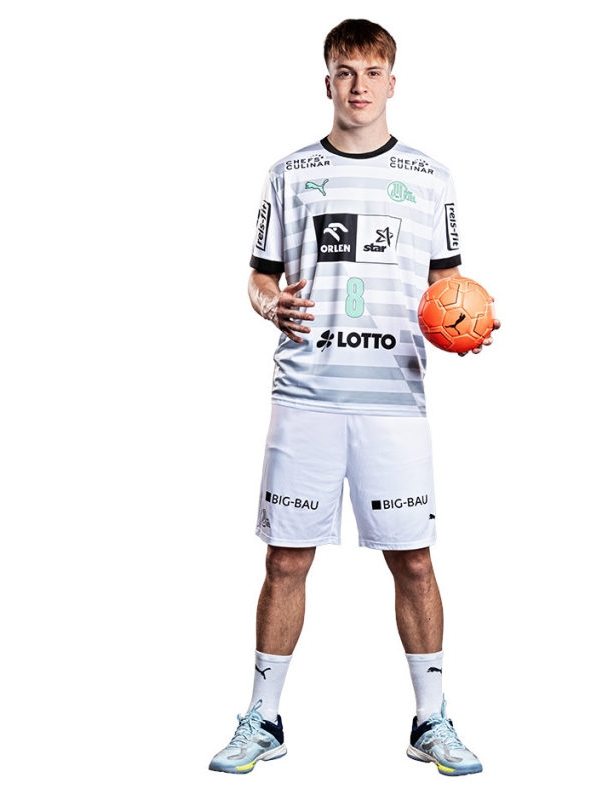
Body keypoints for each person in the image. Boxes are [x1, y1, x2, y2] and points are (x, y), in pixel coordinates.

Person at [208, 19, 499, 777]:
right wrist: (269, 304)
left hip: (394, 400)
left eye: (372, 72)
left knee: (414, 563)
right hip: (306, 393)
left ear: (392, 82)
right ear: (328, 81)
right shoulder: (290, 174)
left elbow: (447, 285)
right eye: (345, 72)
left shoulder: (431, 178)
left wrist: (467, 324)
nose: (358, 86)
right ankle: (262, 719)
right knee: (285, 560)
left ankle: (432, 721)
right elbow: (260, 276)